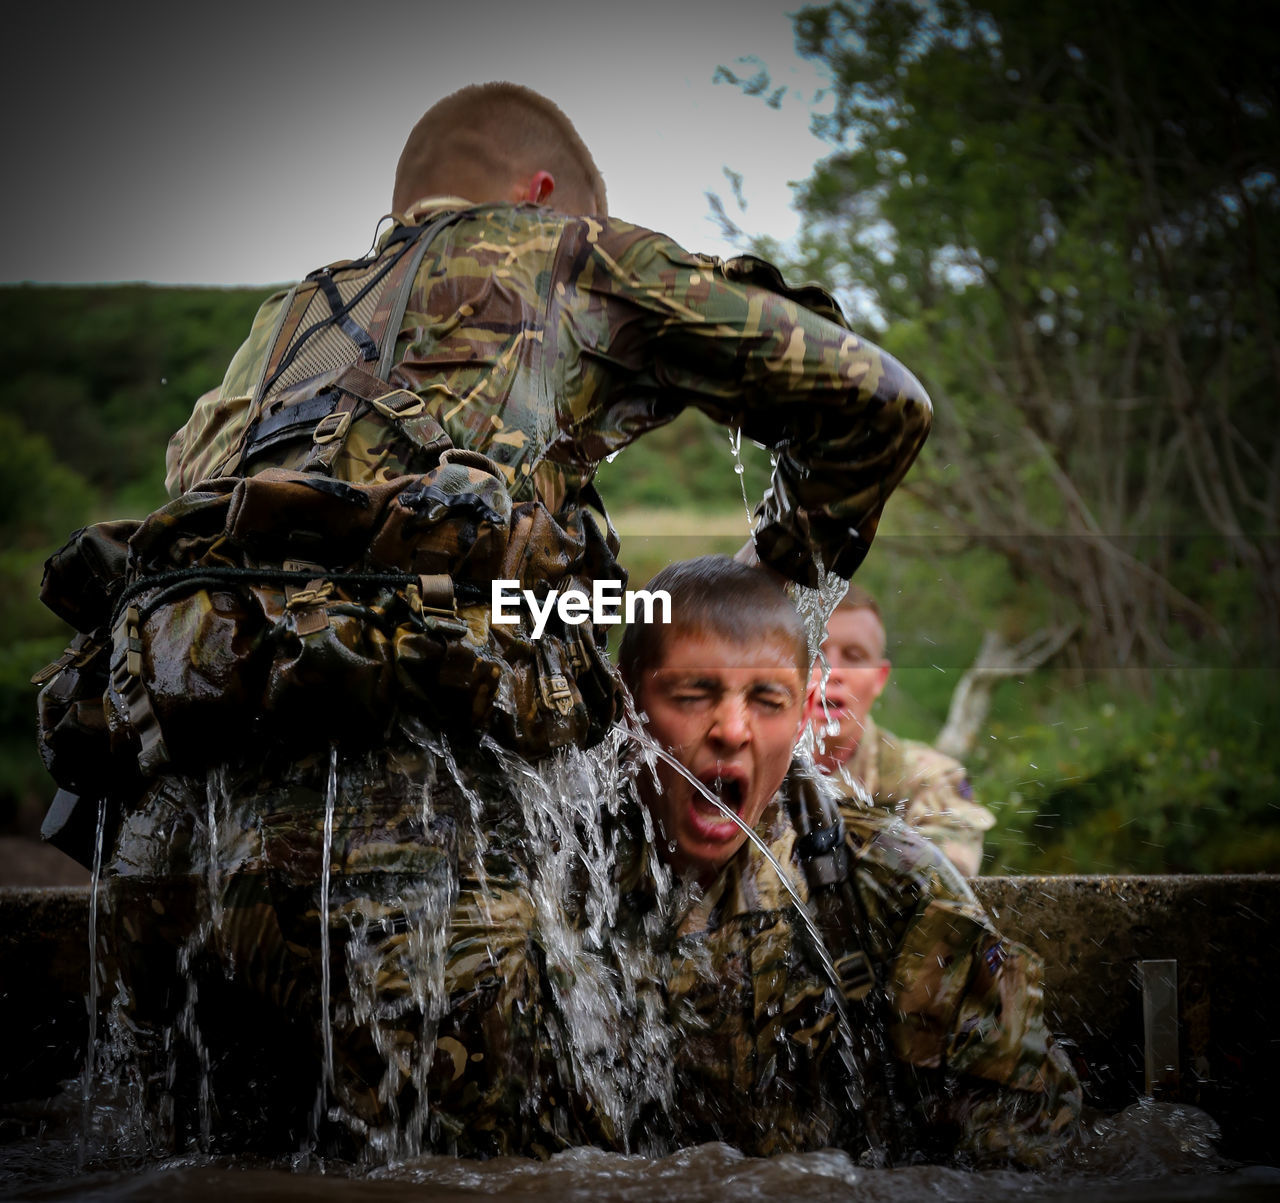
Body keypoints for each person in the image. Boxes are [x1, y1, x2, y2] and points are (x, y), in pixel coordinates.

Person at [37, 82, 933, 1157]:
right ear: (542, 194)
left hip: (160, 834)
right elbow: (875, 399)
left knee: (204, 1169)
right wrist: (775, 577)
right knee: (479, 1182)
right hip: (400, 825)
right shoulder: (569, 254)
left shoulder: (283, 328)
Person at [617, 555, 1081, 1165]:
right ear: (628, 703)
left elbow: (1031, 1150)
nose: (731, 729)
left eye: (766, 698)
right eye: (692, 692)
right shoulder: (553, 876)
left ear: (801, 703)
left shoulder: (889, 879)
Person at [807, 585, 995, 875]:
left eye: (854, 656)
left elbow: (945, 881)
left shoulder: (931, 779)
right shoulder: (742, 776)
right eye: (814, 654)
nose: (832, 672)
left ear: (879, 678)